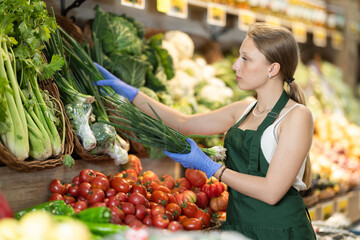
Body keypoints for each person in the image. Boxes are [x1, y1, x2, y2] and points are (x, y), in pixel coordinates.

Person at [95, 22, 316, 239]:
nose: (235, 65)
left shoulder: (297, 116)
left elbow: (271, 192)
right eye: (239, 56)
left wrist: (211, 168)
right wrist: (131, 94)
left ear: (273, 68)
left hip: (282, 232)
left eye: (246, 59)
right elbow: (183, 122)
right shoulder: (243, 110)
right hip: (239, 228)